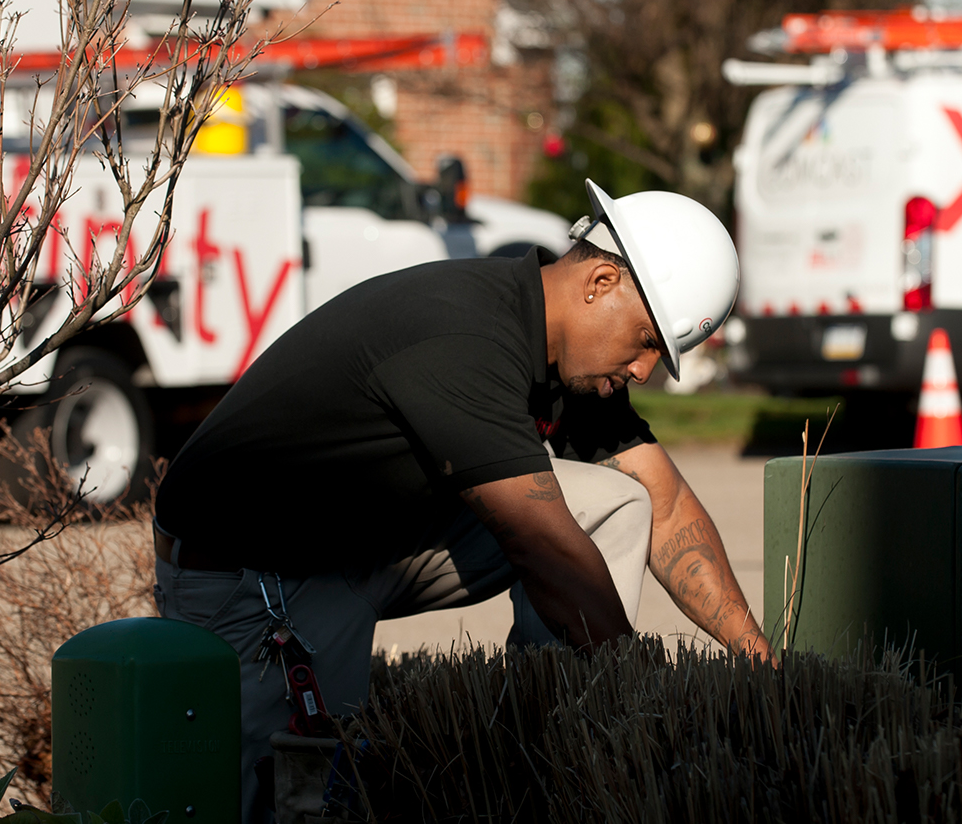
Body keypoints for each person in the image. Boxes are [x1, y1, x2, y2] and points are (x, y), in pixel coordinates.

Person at [152, 180, 771, 820]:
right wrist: (648, 697)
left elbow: (663, 503)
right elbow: (543, 548)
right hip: (253, 579)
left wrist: (757, 657)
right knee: (291, 803)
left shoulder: (566, 352)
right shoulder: (465, 340)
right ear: (601, 284)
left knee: (620, 500)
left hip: (362, 542)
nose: (644, 372)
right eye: (646, 341)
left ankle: (548, 752)